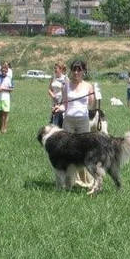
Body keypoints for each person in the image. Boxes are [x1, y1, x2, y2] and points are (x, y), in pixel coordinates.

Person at [58, 59, 95, 187]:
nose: (76, 72)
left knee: (83, 152)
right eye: (74, 69)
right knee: (67, 152)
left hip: (83, 121)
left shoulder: (88, 86)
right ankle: (69, 182)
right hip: (68, 121)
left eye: (79, 69)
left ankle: (85, 180)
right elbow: (64, 105)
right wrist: (59, 108)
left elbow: (91, 104)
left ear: (83, 71)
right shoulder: (66, 86)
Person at [0, 62, 14, 133]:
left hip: (6, 97)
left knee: (5, 114)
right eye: (3, 70)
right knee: (0, 113)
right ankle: (0, 128)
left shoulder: (9, 79)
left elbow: (11, 89)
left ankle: (4, 129)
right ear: (1, 70)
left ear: (7, 71)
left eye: (5, 70)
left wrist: (3, 89)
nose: (4, 71)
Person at [48, 62, 68, 126]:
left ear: (61, 69)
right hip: (54, 101)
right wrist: (53, 96)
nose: (55, 70)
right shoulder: (53, 78)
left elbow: (67, 91)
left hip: (61, 102)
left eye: (56, 68)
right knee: (54, 116)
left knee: (59, 118)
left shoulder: (65, 79)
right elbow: (49, 89)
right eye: (54, 68)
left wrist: (62, 101)